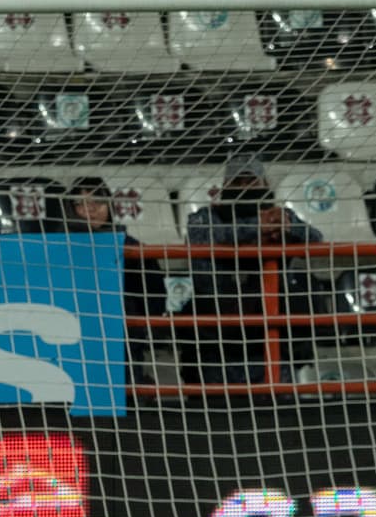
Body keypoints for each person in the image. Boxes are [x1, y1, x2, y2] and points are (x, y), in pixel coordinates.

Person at [185, 154, 325, 385]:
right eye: (237, 182)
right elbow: (202, 235)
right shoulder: (206, 217)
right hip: (217, 343)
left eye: (251, 181)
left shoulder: (280, 216)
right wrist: (258, 227)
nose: (244, 188)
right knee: (215, 415)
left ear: (264, 184)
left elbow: (316, 240)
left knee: (278, 413)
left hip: (270, 341)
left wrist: (287, 226)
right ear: (225, 186)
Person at [60, 176, 168, 385]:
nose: (90, 209)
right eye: (81, 203)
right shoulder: (57, 246)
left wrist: (136, 327)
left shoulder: (130, 248)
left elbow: (154, 295)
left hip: (122, 342)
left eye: (97, 202)